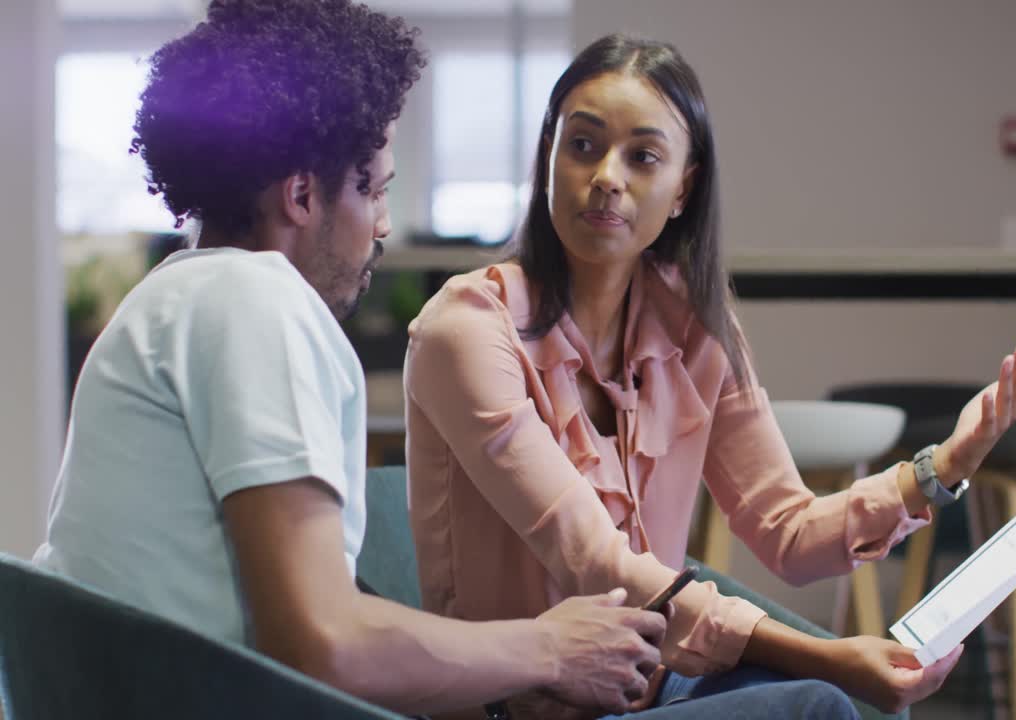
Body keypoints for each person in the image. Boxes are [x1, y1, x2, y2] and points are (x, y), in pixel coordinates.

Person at [26, 4, 794, 718]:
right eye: (378, 191)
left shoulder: (174, 299)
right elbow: (322, 642)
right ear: (302, 195)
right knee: (806, 707)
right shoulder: (253, 302)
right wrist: (547, 648)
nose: (385, 227)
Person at [404, 33, 1016, 717]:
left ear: (684, 187)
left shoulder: (692, 326)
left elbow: (789, 531)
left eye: (643, 156)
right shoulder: (466, 329)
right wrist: (829, 655)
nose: (607, 177)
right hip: (518, 706)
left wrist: (941, 467)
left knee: (830, 700)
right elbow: (597, 562)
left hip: (651, 685)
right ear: (549, 158)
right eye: (583, 145)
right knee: (822, 703)